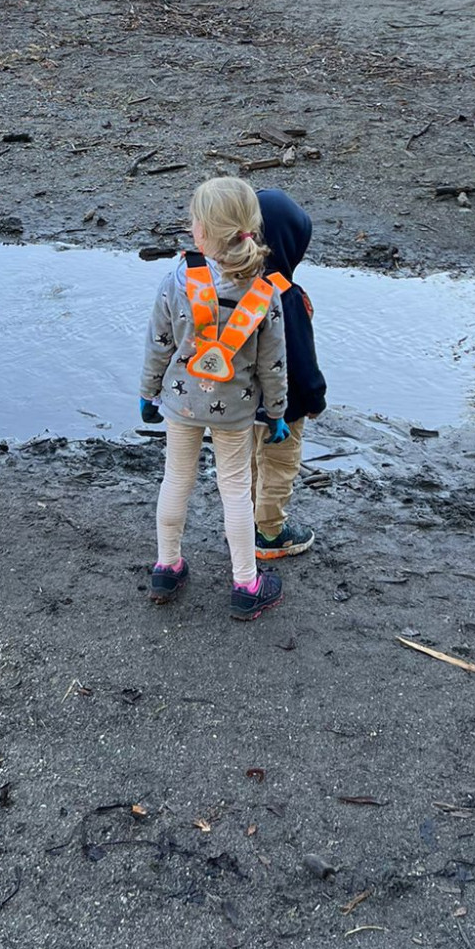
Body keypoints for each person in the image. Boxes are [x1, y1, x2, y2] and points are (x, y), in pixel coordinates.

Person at [139, 176, 289, 620]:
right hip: (235, 410)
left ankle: (167, 567)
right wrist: (276, 411)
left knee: (176, 480)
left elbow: (158, 345)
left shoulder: (178, 280)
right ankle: (246, 583)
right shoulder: (265, 293)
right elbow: (273, 364)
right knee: (236, 490)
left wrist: (148, 393)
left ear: (201, 232)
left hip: (181, 402)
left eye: (193, 221)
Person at [251, 188, 327, 560]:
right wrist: (315, 398)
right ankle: (269, 534)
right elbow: (301, 357)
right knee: (279, 465)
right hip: (285, 405)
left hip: (240, 403)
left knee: (247, 463)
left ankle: (243, 523)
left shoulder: (233, 284)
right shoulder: (286, 295)